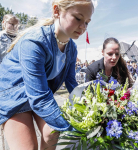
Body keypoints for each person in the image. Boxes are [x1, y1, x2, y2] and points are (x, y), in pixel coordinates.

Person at [0, 0, 94, 150]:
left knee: (52, 133)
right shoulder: (34, 41)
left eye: (87, 22)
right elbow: (39, 98)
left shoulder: (71, 47)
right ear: (57, 11)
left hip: (38, 92)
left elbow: (71, 81)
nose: (83, 27)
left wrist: (91, 106)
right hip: (13, 94)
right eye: (78, 18)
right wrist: (75, 129)